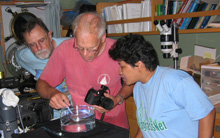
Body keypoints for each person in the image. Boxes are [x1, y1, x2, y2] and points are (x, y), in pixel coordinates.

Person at [36, 12, 133, 129]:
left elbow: (132, 82)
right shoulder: (65, 50)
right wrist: (52, 93)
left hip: (114, 126)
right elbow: (41, 84)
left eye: (92, 49)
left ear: (103, 38)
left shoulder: (118, 51)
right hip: (79, 126)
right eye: (80, 47)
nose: (85, 54)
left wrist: (118, 99)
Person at [108, 34, 216, 138]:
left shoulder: (174, 81)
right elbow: (148, 123)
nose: (119, 72)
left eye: (122, 66)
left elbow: (207, 113)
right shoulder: (138, 88)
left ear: (139, 65)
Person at [15, 18, 71, 119]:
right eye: (32, 44)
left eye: (42, 40)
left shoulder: (71, 46)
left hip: (79, 109)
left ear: (50, 35)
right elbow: (17, 56)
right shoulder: (23, 56)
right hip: (53, 115)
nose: (39, 48)